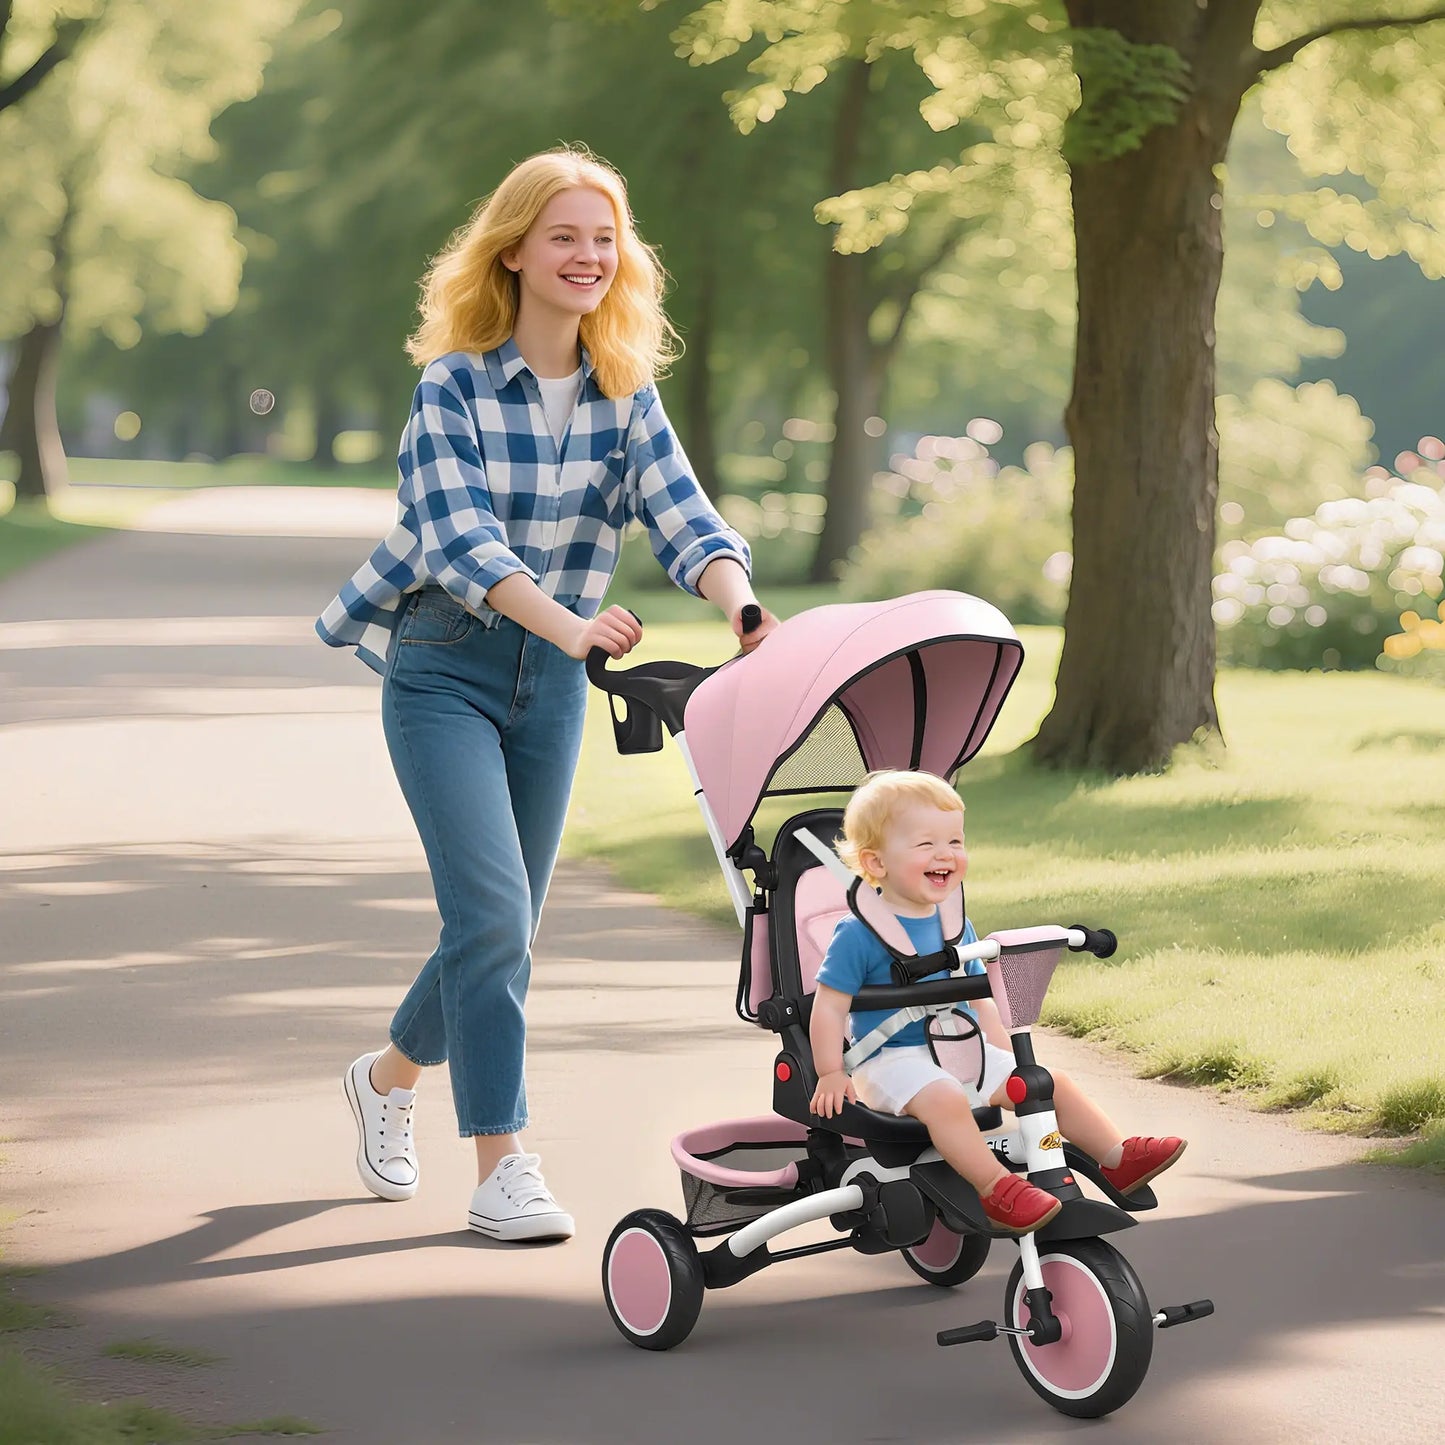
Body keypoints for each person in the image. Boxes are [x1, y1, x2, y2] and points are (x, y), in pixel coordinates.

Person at [317, 147, 778, 1242]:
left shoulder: (624, 391)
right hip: (445, 667)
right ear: (514, 251)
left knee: (503, 926)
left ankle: (385, 1077)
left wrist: (745, 609)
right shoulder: (454, 386)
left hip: (554, 688)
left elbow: (685, 515)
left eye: (603, 238)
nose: (586, 255)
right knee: (491, 918)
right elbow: (462, 539)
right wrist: (573, 625)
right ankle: (502, 1165)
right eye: (563, 236)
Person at [809, 770, 1184, 1234]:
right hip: (891, 1062)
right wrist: (830, 1071)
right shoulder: (858, 933)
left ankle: (1116, 1159)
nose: (945, 854)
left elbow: (978, 999)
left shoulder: (954, 925)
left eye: (955, 841)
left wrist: (1003, 1058)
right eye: (926, 844)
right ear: (876, 862)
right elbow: (829, 1006)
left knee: (1046, 1082)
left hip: (959, 1048)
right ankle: (995, 1189)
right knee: (946, 1098)